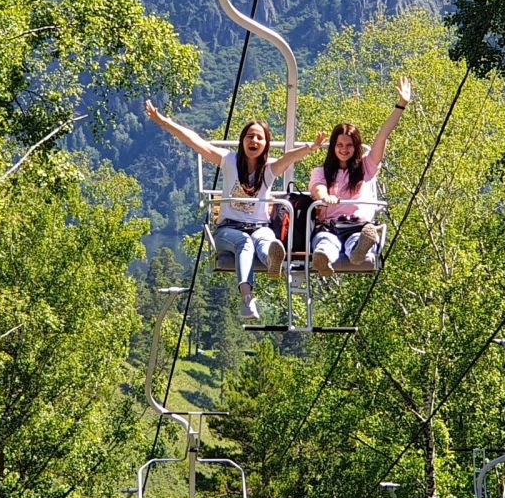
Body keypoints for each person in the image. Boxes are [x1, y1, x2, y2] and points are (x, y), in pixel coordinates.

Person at [145, 101, 325, 320]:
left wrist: (310, 148)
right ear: (242, 140)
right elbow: (196, 142)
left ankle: (272, 260)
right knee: (244, 243)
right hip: (229, 230)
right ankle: (247, 299)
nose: (254, 141)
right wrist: (164, 122)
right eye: (250, 136)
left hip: (259, 226)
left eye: (260, 137)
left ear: (266, 144)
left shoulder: (268, 169)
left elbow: (289, 158)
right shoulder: (229, 161)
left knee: (266, 240)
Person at [308, 77, 411, 277]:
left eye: (349, 145)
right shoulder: (322, 171)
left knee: (356, 240)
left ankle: (358, 252)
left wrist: (401, 105)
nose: (344, 150)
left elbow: (382, 136)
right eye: (339, 145)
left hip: (357, 224)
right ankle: (322, 258)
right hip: (331, 225)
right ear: (333, 147)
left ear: (355, 147)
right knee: (325, 242)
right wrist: (324, 197)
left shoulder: (365, 167)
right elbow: (317, 188)